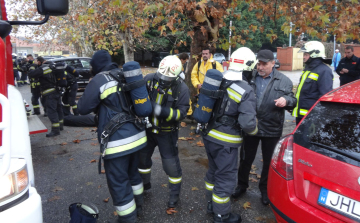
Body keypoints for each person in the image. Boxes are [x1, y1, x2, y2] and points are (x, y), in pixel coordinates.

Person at [78, 50, 151, 223]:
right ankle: (138, 206)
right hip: (139, 138)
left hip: (118, 143)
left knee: (119, 183)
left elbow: (82, 108)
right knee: (134, 174)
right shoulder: (123, 74)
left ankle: (128, 218)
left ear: (95, 65)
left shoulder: (99, 80)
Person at [200, 47, 258, 223]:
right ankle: (221, 215)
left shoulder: (218, 80)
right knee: (225, 179)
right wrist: (255, 132)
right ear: (247, 67)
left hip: (209, 135)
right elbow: (248, 124)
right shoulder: (245, 89)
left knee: (213, 171)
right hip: (227, 142)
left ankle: (211, 204)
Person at [233, 49, 297, 205]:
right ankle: (241, 185)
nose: (260, 67)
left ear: (273, 63)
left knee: (268, 162)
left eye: (264, 64)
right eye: (258, 64)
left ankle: (265, 190)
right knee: (245, 158)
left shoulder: (284, 81)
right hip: (251, 125)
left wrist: (286, 100)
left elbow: (293, 100)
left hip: (272, 127)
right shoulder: (250, 77)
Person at [138, 55, 190, 208]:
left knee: (171, 166)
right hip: (147, 130)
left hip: (167, 132)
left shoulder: (182, 88)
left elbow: (182, 114)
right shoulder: (149, 79)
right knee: (142, 160)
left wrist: (162, 111)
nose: (163, 80)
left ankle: (174, 195)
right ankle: (144, 185)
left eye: (167, 78)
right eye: (161, 76)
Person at [293, 41, 333, 124]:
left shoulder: (324, 71)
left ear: (314, 54)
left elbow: (324, 97)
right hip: (301, 115)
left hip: (312, 117)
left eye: (306, 54)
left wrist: (318, 116)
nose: (303, 57)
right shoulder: (308, 69)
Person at [28, 56, 64, 137]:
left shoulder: (44, 68)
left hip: (49, 93)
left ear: (39, 62)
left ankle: (55, 130)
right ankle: (60, 126)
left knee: (52, 111)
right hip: (57, 91)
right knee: (59, 109)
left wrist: (33, 65)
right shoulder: (54, 66)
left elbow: (31, 74)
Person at [177, 52, 193, 117]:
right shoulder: (178, 64)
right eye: (185, 61)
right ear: (182, 59)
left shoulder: (176, 62)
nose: (185, 62)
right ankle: (189, 114)